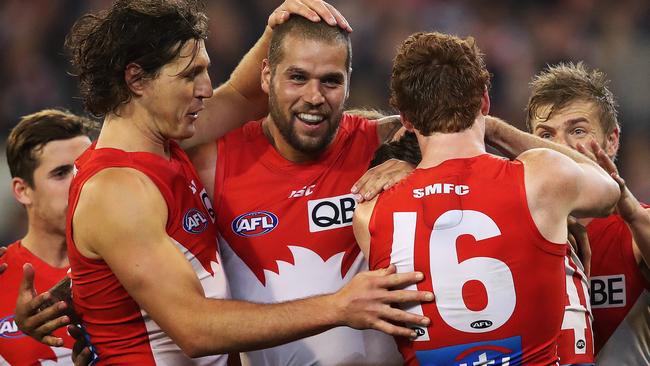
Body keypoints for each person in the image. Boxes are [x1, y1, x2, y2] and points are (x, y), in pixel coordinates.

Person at [57, 1, 431, 364]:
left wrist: (277, 25)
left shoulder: (169, 145)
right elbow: (195, 330)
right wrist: (339, 306)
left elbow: (240, 93)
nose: (205, 88)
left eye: (205, 71)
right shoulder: (117, 189)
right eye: (190, 75)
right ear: (137, 79)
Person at [353, 32, 620, 365]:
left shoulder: (370, 214)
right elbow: (609, 189)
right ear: (484, 101)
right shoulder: (541, 179)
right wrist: (495, 129)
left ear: (406, 119)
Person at [185, 15, 410, 365]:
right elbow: (148, 239)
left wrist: (421, 165)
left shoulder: (387, 145)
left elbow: (490, 165)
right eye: (298, 77)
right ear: (266, 75)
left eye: (331, 81)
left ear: (349, 83)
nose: (314, 97)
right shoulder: (212, 166)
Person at [485, 62, 650, 366]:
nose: (559, 148)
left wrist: (629, 210)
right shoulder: (506, 233)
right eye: (545, 136)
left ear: (612, 140)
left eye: (577, 130)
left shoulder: (634, 228)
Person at [0, 109, 93, 365]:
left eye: (84, 168)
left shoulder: (132, 262)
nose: (80, 182)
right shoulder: (2, 274)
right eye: (61, 173)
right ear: (23, 191)